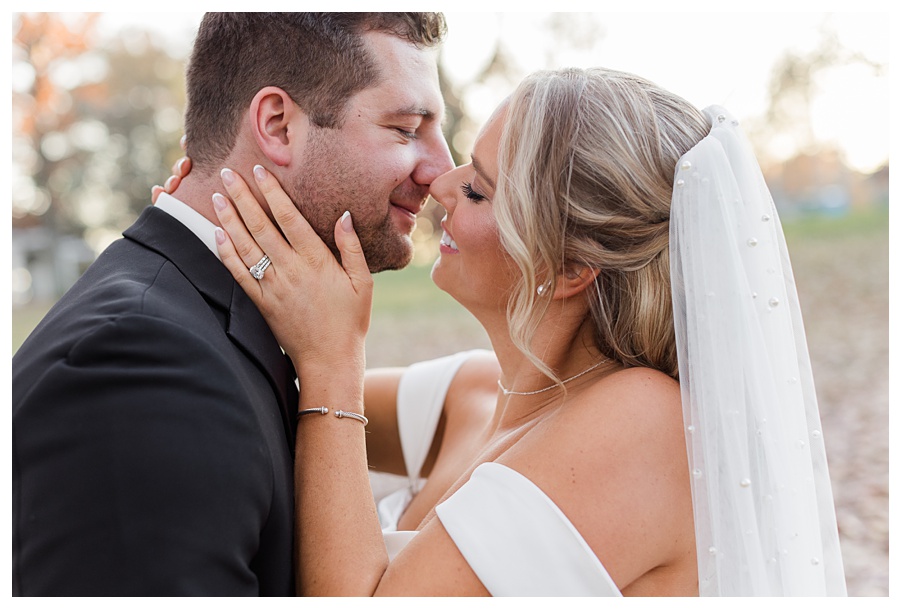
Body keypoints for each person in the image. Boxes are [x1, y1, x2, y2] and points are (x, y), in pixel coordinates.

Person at [199, 66, 847, 596]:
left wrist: (334, 359)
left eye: (479, 190)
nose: (442, 183)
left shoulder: (641, 423)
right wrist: (200, 224)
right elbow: (257, 404)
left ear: (567, 267)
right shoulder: (474, 393)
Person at [11, 12, 452, 596]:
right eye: (405, 129)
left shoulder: (228, 318)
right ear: (277, 125)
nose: (442, 170)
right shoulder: (141, 362)